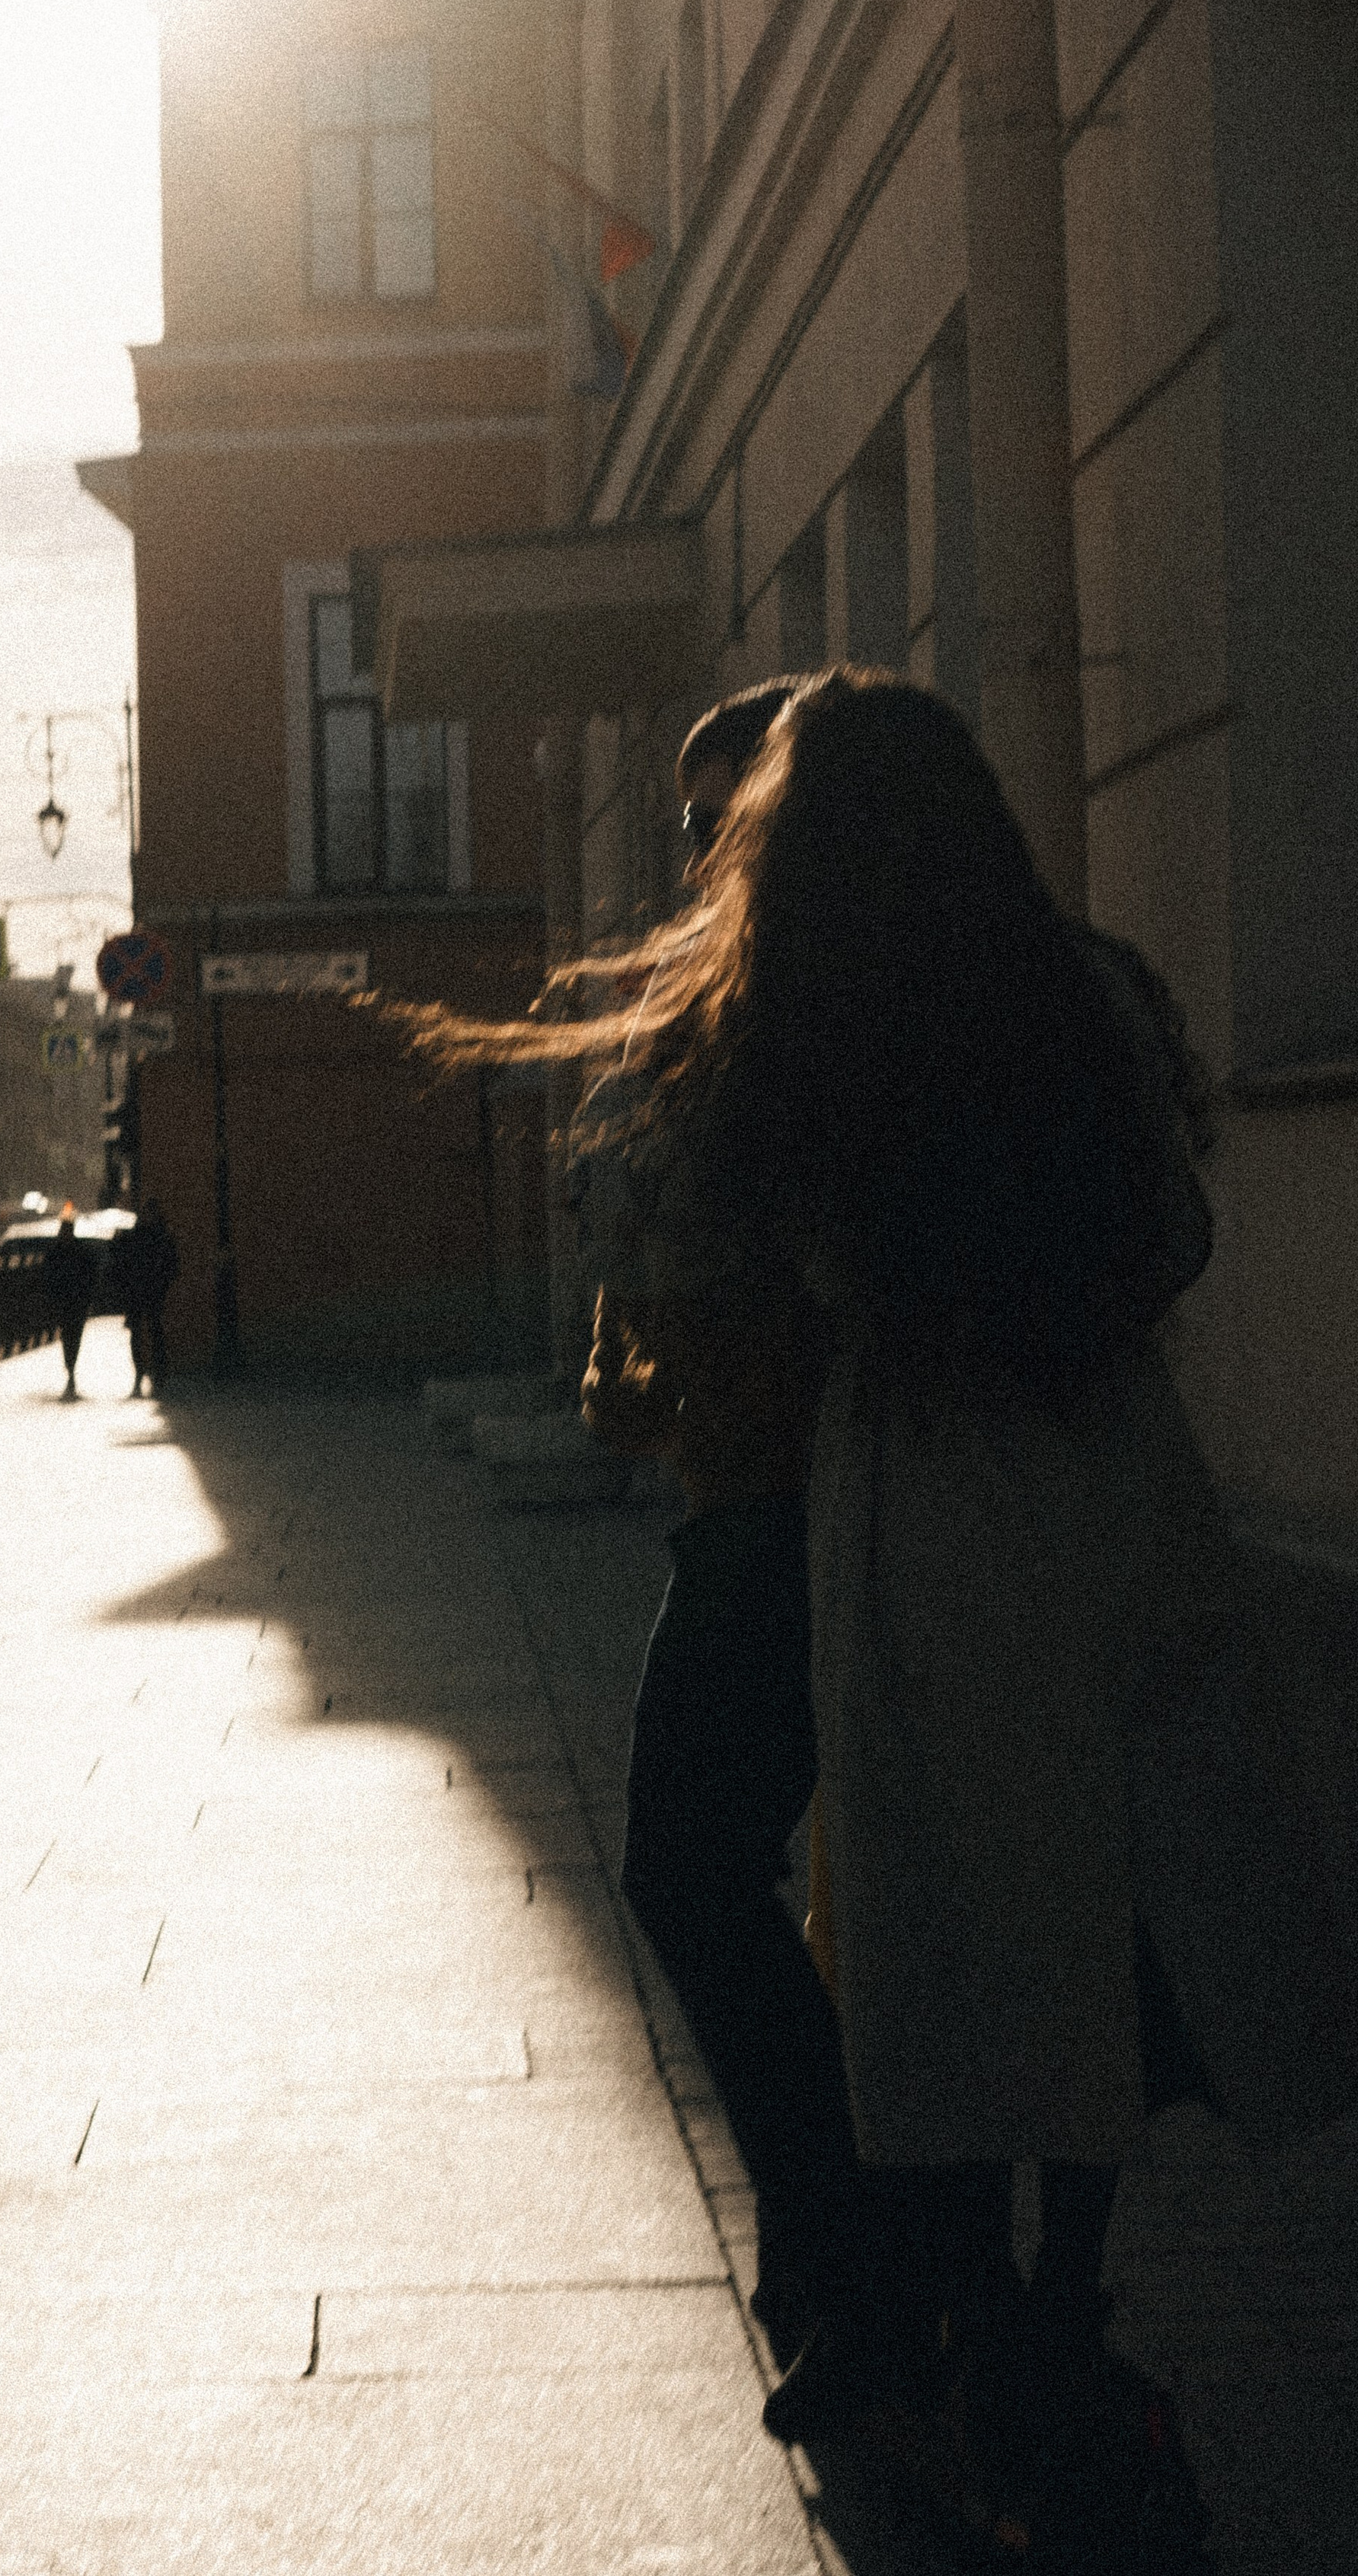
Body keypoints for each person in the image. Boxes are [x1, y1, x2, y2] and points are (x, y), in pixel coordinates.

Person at [398, 669, 1357, 2562]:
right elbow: (1172, 1227)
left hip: (860, 1504)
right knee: (1074, 1891)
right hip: (1105, 1494)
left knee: (735, 1865)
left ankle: (872, 2269)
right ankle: (1040, 2300)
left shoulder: (780, 1024)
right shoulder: (1083, 993)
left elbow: (668, 1256)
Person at [582, 677, 870, 2373]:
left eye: (710, 822)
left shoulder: (769, 1026)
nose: (690, 857)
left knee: (689, 1866)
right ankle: (923, 2273)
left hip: (784, 1517)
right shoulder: (979, 991)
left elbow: (706, 1284)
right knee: (935, 1902)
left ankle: (835, 2237)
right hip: (875, 1506)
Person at [124, 1196, 178, 1398]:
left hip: (144, 1290)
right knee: (149, 1331)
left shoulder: (138, 1236)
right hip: (146, 1290)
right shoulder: (161, 1236)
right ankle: (150, 1371)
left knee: (147, 1332)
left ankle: (148, 1371)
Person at [46, 1206, 94, 1400]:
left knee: (69, 1337)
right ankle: (71, 1370)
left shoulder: (56, 1251)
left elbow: (48, 1277)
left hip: (67, 1301)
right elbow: (90, 1277)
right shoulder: (81, 1250)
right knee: (72, 1337)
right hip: (75, 1301)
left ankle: (70, 1369)